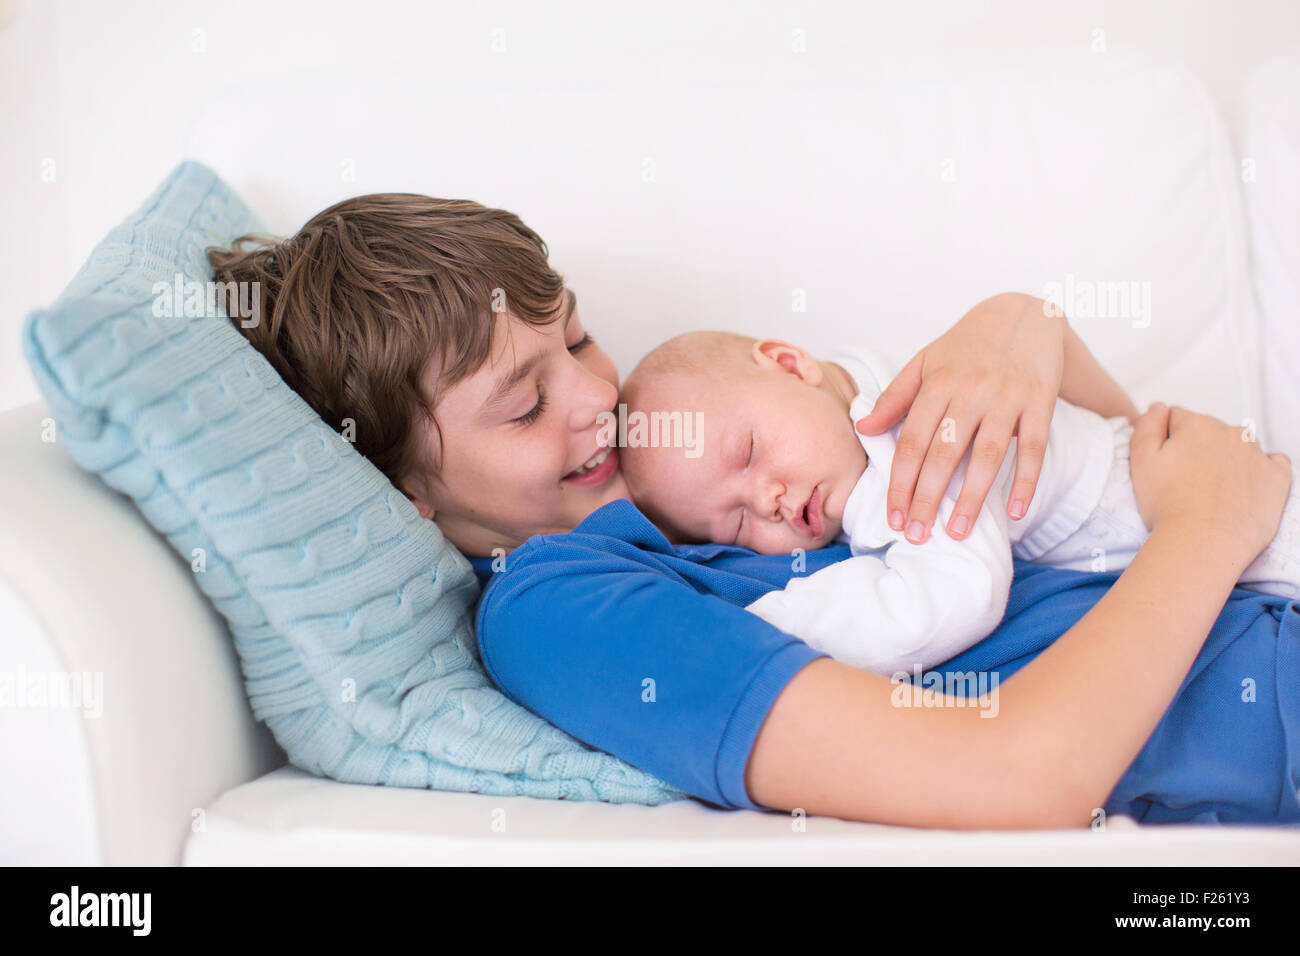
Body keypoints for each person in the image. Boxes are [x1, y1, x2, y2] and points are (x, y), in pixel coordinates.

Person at [208, 194, 1296, 826]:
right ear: (412, 491)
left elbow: (1092, 484)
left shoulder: (720, 438)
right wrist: (1211, 528)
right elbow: (1019, 777)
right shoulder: (562, 610)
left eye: (577, 338)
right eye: (528, 403)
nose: (600, 402)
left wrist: (1029, 333)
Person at [616, 331, 1300, 675]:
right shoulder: (872, 392)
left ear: (791, 363)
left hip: (1260, 537)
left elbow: (947, 598)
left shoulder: (904, 456)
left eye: (748, 454)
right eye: (733, 521)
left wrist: (763, 625)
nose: (765, 499)